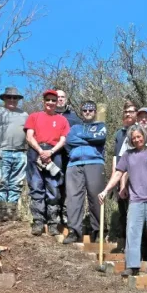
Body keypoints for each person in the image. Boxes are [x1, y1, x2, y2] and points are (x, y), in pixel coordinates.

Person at [98, 124, 147, 276]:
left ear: (144, 136)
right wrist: (106, 190)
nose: (137, 140)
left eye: (139, 136)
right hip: (135, 199)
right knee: (132, 232)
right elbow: (118, 173)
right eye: (134, 138)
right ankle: (132, 265)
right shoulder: (127, 155)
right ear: (130, 140)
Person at [24, 89, 70, 236]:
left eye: (53, 100)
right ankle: (38, 221)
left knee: (54, 188)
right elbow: (29, 136)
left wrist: (50, 152)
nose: (50, 102)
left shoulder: (62, 120)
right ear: (43, 101)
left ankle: (53, 223)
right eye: (48, 100)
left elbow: (63, 139)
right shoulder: (34, 116)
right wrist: (40, 151)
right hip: (35, 151)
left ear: (57, 102)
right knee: (36, 186)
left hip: (54, 153)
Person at [63, 100, 107, 244]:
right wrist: (89, 140)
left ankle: (99, 231)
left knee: (96, 198)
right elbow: (69, 141)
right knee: (73, 199)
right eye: (85, 110)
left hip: (95, 162)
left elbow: (100, 138)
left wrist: (82, 138)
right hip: (74, 165)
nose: (87, 112)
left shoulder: (100, 126)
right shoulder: (75, 127)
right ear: (81, 112)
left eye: (90, 110)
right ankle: (74, 231)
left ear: (95, 112)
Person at [0, 87, 28, 221]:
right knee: (0, 182)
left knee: (17, 183)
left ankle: (12, 211)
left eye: (15, 97)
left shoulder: (24, 115)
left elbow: (30, 133)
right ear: (4, 98)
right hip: (1, 152)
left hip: (20, 152)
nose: (12, 100)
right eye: (9, 97)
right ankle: (2, 212)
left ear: (18, 99)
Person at [112, 100, 138, 248]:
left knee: (135, 212)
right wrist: (114, 178)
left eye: (131, 111)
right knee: (123, 210)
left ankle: (137, 245)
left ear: (136, 113)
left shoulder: (139, 132)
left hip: (134, 178)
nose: (128, 114)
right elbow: (116, 157)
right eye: (126, 112)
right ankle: (123, 242)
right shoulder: (119, 133)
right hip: (120, 174)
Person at [55, 89, 82, 225]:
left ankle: (66, 213)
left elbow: (80, 135)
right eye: (57, 97)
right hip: (52, 156)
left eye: (62, 97)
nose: (60, 99)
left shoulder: (74, 117)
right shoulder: (48, 115)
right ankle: (54, 213)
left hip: (69, 157)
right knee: (53, 184)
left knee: (69, 185)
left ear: (66, 99)